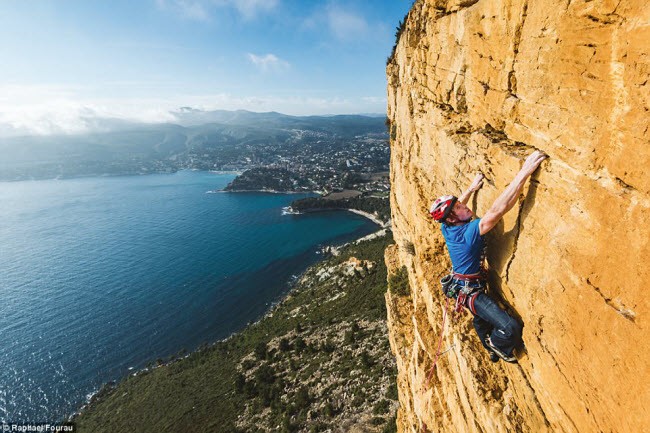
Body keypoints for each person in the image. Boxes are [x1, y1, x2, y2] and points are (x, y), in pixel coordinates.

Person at [429, 150, 547, 363]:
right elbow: (497, 210)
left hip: (462, 286)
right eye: (458, 208)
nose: (464, 207)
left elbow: (459, 205)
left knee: (481, 319)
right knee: (511, 327)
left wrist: (471, 188)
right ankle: (497, 345)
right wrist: (524, 173)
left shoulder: (447, 228)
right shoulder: (468, 232)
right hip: (471, 292)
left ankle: (488, 344)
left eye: (460, 204)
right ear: (453, 219)